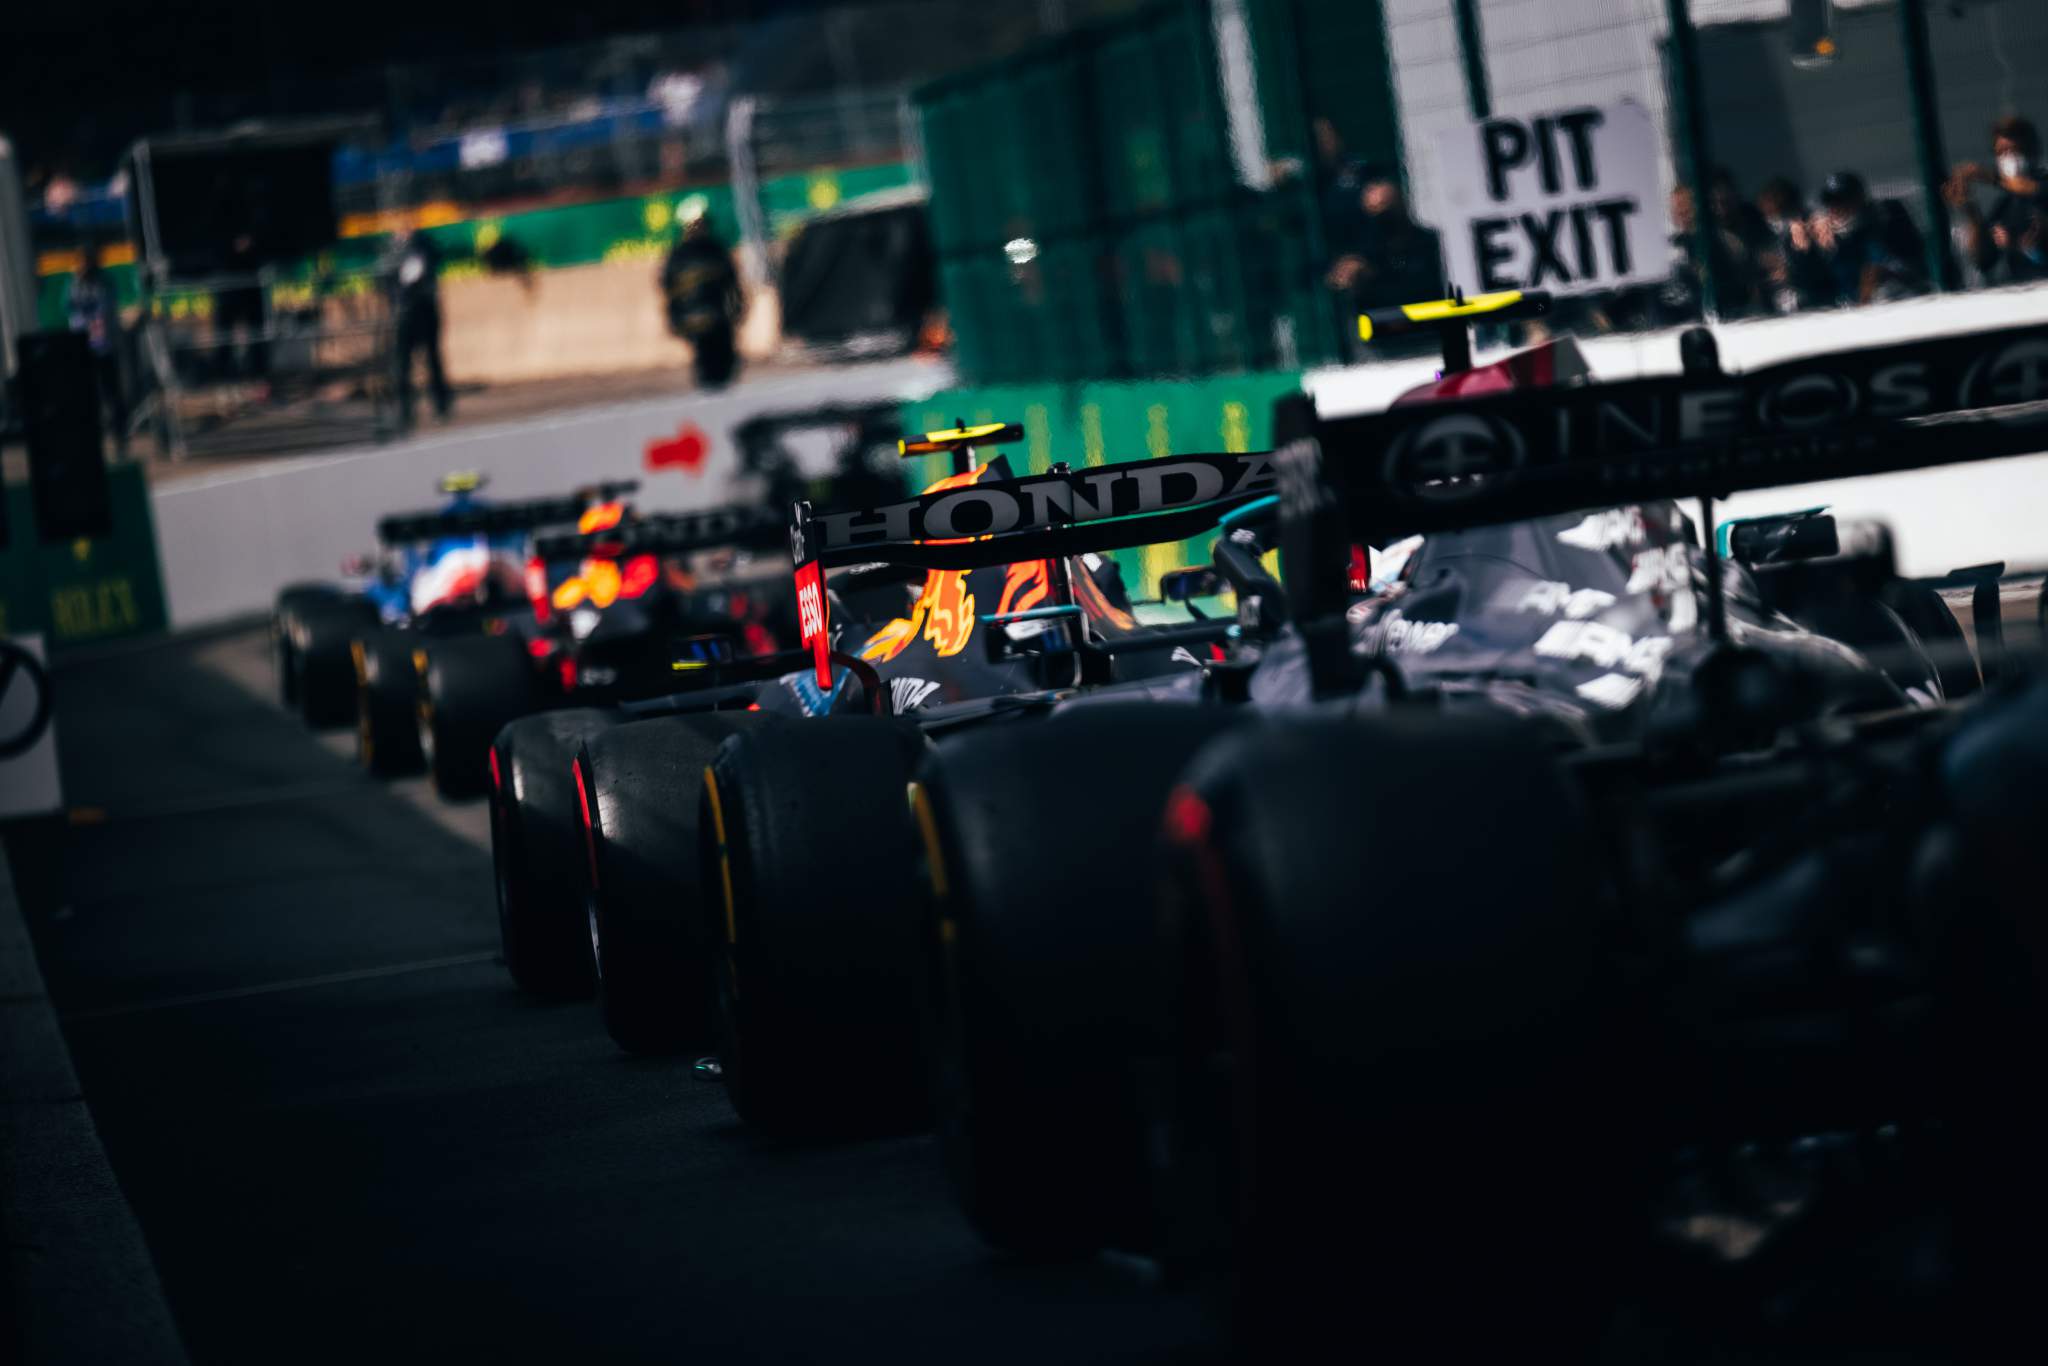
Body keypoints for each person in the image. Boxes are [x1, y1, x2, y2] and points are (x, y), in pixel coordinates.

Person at [1324, 168, 1442, 351]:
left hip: (1434, 330)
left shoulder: (1428, 240)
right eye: (1375, 206)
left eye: (1387, 202)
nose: (1379, 204)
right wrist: (1359, 275)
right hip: (1386, 344)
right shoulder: (1363, 244)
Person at [1948, 114, 2048, 285]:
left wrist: (1990, 176)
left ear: (2031, 151)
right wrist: (1970, 210)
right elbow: (1984, 260)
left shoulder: (2042, 184)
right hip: (2025, 291)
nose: (2007, 158)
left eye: (2014, 150)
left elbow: (2034, 189)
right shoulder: (2005, 205)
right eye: (2001, 152)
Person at [1809, 171, 1927, 305]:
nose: (1837, 208)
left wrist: (1886, 272)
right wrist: (1813, 249)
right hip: (1847, 307)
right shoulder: (1826, 237)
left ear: (1860, 199)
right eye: (1832, 203)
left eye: (1843, 201)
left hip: (1898, 299)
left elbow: (1915, 264)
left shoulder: (1886, 219)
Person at [660, 205, 743, 387]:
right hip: (696, 322)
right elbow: (670, 291)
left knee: (724, 365)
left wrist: (738, 309)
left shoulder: (715, 250)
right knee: (708, 368)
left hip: (718, 319)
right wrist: (675, 318)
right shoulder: (679, 256)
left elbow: (732, 284)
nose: (701, 228)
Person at [389, 226, 452, 428]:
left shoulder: (423, 245)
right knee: (403, 364)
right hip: (404, 314)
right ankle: (405, 410)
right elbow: (387, 280)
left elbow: (431, 265)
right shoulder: (391, 250)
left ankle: (441, 405)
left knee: (433, 359)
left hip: (424, 311)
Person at [66, 253, 127, 454]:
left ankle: (120, 437)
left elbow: (110, 307)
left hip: (105, 347)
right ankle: (91, 440)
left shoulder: (105, 284)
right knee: (87, 396)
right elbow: (67, 309)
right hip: (84, 349)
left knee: (112, 393)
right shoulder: (74, 286)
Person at [1753, 177, 1830, 313]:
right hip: (1773, 309)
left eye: (1781, 203)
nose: (1773, 206)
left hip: (1812, 303)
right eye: (1769, 201)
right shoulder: (1759, 236)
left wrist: (1792, 272)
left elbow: (1820, 270)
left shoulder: (1811, 228)